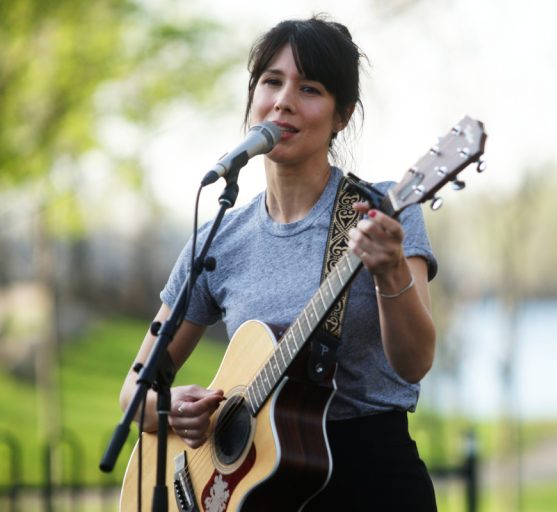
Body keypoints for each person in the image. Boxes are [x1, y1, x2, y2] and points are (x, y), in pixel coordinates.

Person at [119, 15, 439, 511]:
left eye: (309, 88)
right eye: (271, 81)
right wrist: (170, 407)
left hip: (373, 479)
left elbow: (415, 364)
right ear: (252, 99)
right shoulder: (218, 239)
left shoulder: (382, 214)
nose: (284, 100)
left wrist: (390, 271)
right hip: (257, 493)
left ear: (342, 116)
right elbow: (133, 395)